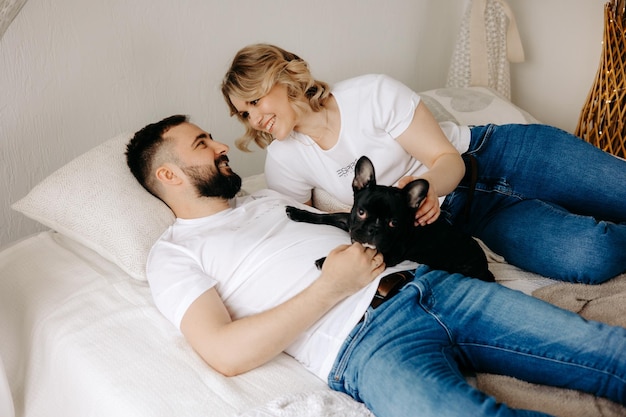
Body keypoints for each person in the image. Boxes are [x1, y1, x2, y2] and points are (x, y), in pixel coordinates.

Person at [125, 114, 626, 417]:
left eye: (212, 137)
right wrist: (329, 289)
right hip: (366, 344)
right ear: (168, 174)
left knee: (602, 351)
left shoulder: (271, 199)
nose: (221, 146)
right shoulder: (172, 255)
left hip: (436, 285)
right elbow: (224, 352)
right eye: (202, 145)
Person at [221, 43, 626, 285]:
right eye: (243, 114)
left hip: (499, 153)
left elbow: (447, 159)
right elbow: (290, 223)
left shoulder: (371, 94)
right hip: (472, 217)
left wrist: (429, 185)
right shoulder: (284, 157)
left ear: (279, 77)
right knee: (593, 256)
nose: (254, 120)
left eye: (254, 102)